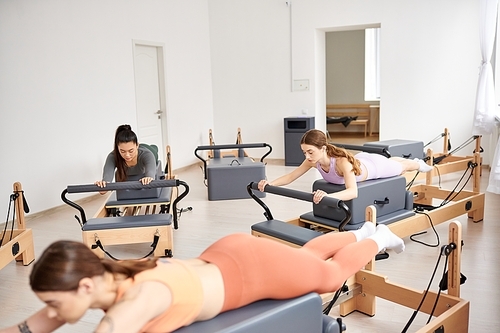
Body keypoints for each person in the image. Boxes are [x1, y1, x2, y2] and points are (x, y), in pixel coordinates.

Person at [0, 223, 404, 333]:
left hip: (248, 270)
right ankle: (357, 234)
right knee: (305, 258)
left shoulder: (140, 298)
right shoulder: (95, 280)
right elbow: (29, 329)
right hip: (225, 256)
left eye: (53, 302)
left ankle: (377, 238)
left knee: (330, 277)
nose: (50, 312)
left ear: (84, 287)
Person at [259, 129, 433, 203]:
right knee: (394, 162)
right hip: (362, 160)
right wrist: (268, 184)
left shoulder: (341, 162)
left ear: (323, 149)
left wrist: (327, 197)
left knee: (402, 168)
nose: (307, 156)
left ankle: (418, 163)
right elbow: (290, 177)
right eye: (304, 152)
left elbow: (352, 191)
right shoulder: (312, 161)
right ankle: (396, 160)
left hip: (373, 168)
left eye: (310, 152)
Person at [95, 125, 157, 191]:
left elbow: (151, 173)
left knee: (154, 148)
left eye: (131, 151)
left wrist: (148, 178)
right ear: (117, 148)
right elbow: (107, 178)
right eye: (122, 151)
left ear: (137, 145)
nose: (127, 155)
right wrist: (103, 185)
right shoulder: (112, 156)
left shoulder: (147, 155)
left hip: (149, 150)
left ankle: (153, 147)